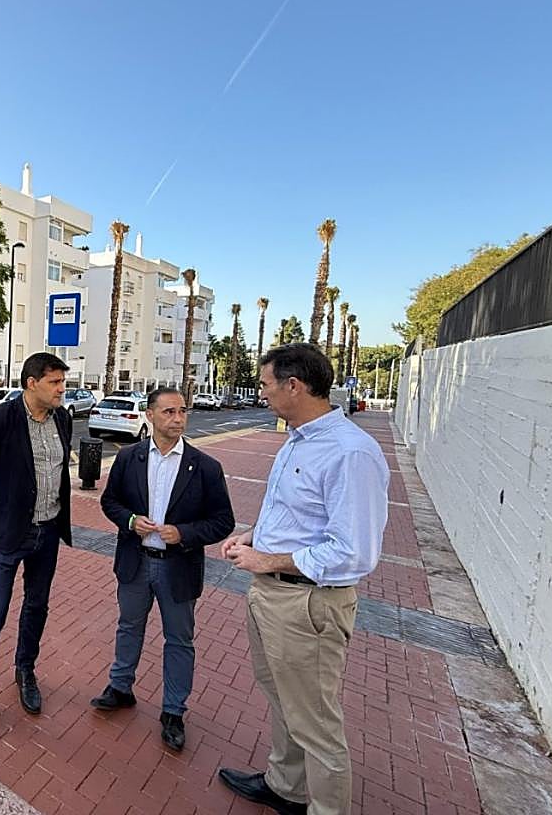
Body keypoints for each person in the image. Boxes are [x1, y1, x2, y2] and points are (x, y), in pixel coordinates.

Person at [218, 343, 389, 815]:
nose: (262, 393)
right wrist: (255, 537)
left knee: (316, 722)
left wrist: (268, 560)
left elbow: (353, 552)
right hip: (274, 597)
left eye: (265, 384)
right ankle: (286, 786)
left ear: (294, 385)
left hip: (308, 607)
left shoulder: (351, 452)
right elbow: (299, 515)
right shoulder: (299, 438)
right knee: (282, 699)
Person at [93, 387, 235, 750]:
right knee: (128, 627)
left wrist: (184, 533)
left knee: (179, 640)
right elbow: (110, 501)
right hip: (135, 564)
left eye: (182, 411)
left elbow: (223, 522)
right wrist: (129, 522)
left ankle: (173, 711)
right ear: (150, 415)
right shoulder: (130, 458)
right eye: (169, 412)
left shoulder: (205, 467)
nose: (177, 418)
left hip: (178, 568)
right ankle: (121, 687)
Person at [0, 351, 73, 744]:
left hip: (47, 533)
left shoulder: (64, 418)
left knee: (37, 607)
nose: (62, 389)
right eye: (55, 383)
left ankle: (25, 670)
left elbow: (58, 474)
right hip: (8, 536)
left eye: (63, 382)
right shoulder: (0, 420)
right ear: (32, 383)